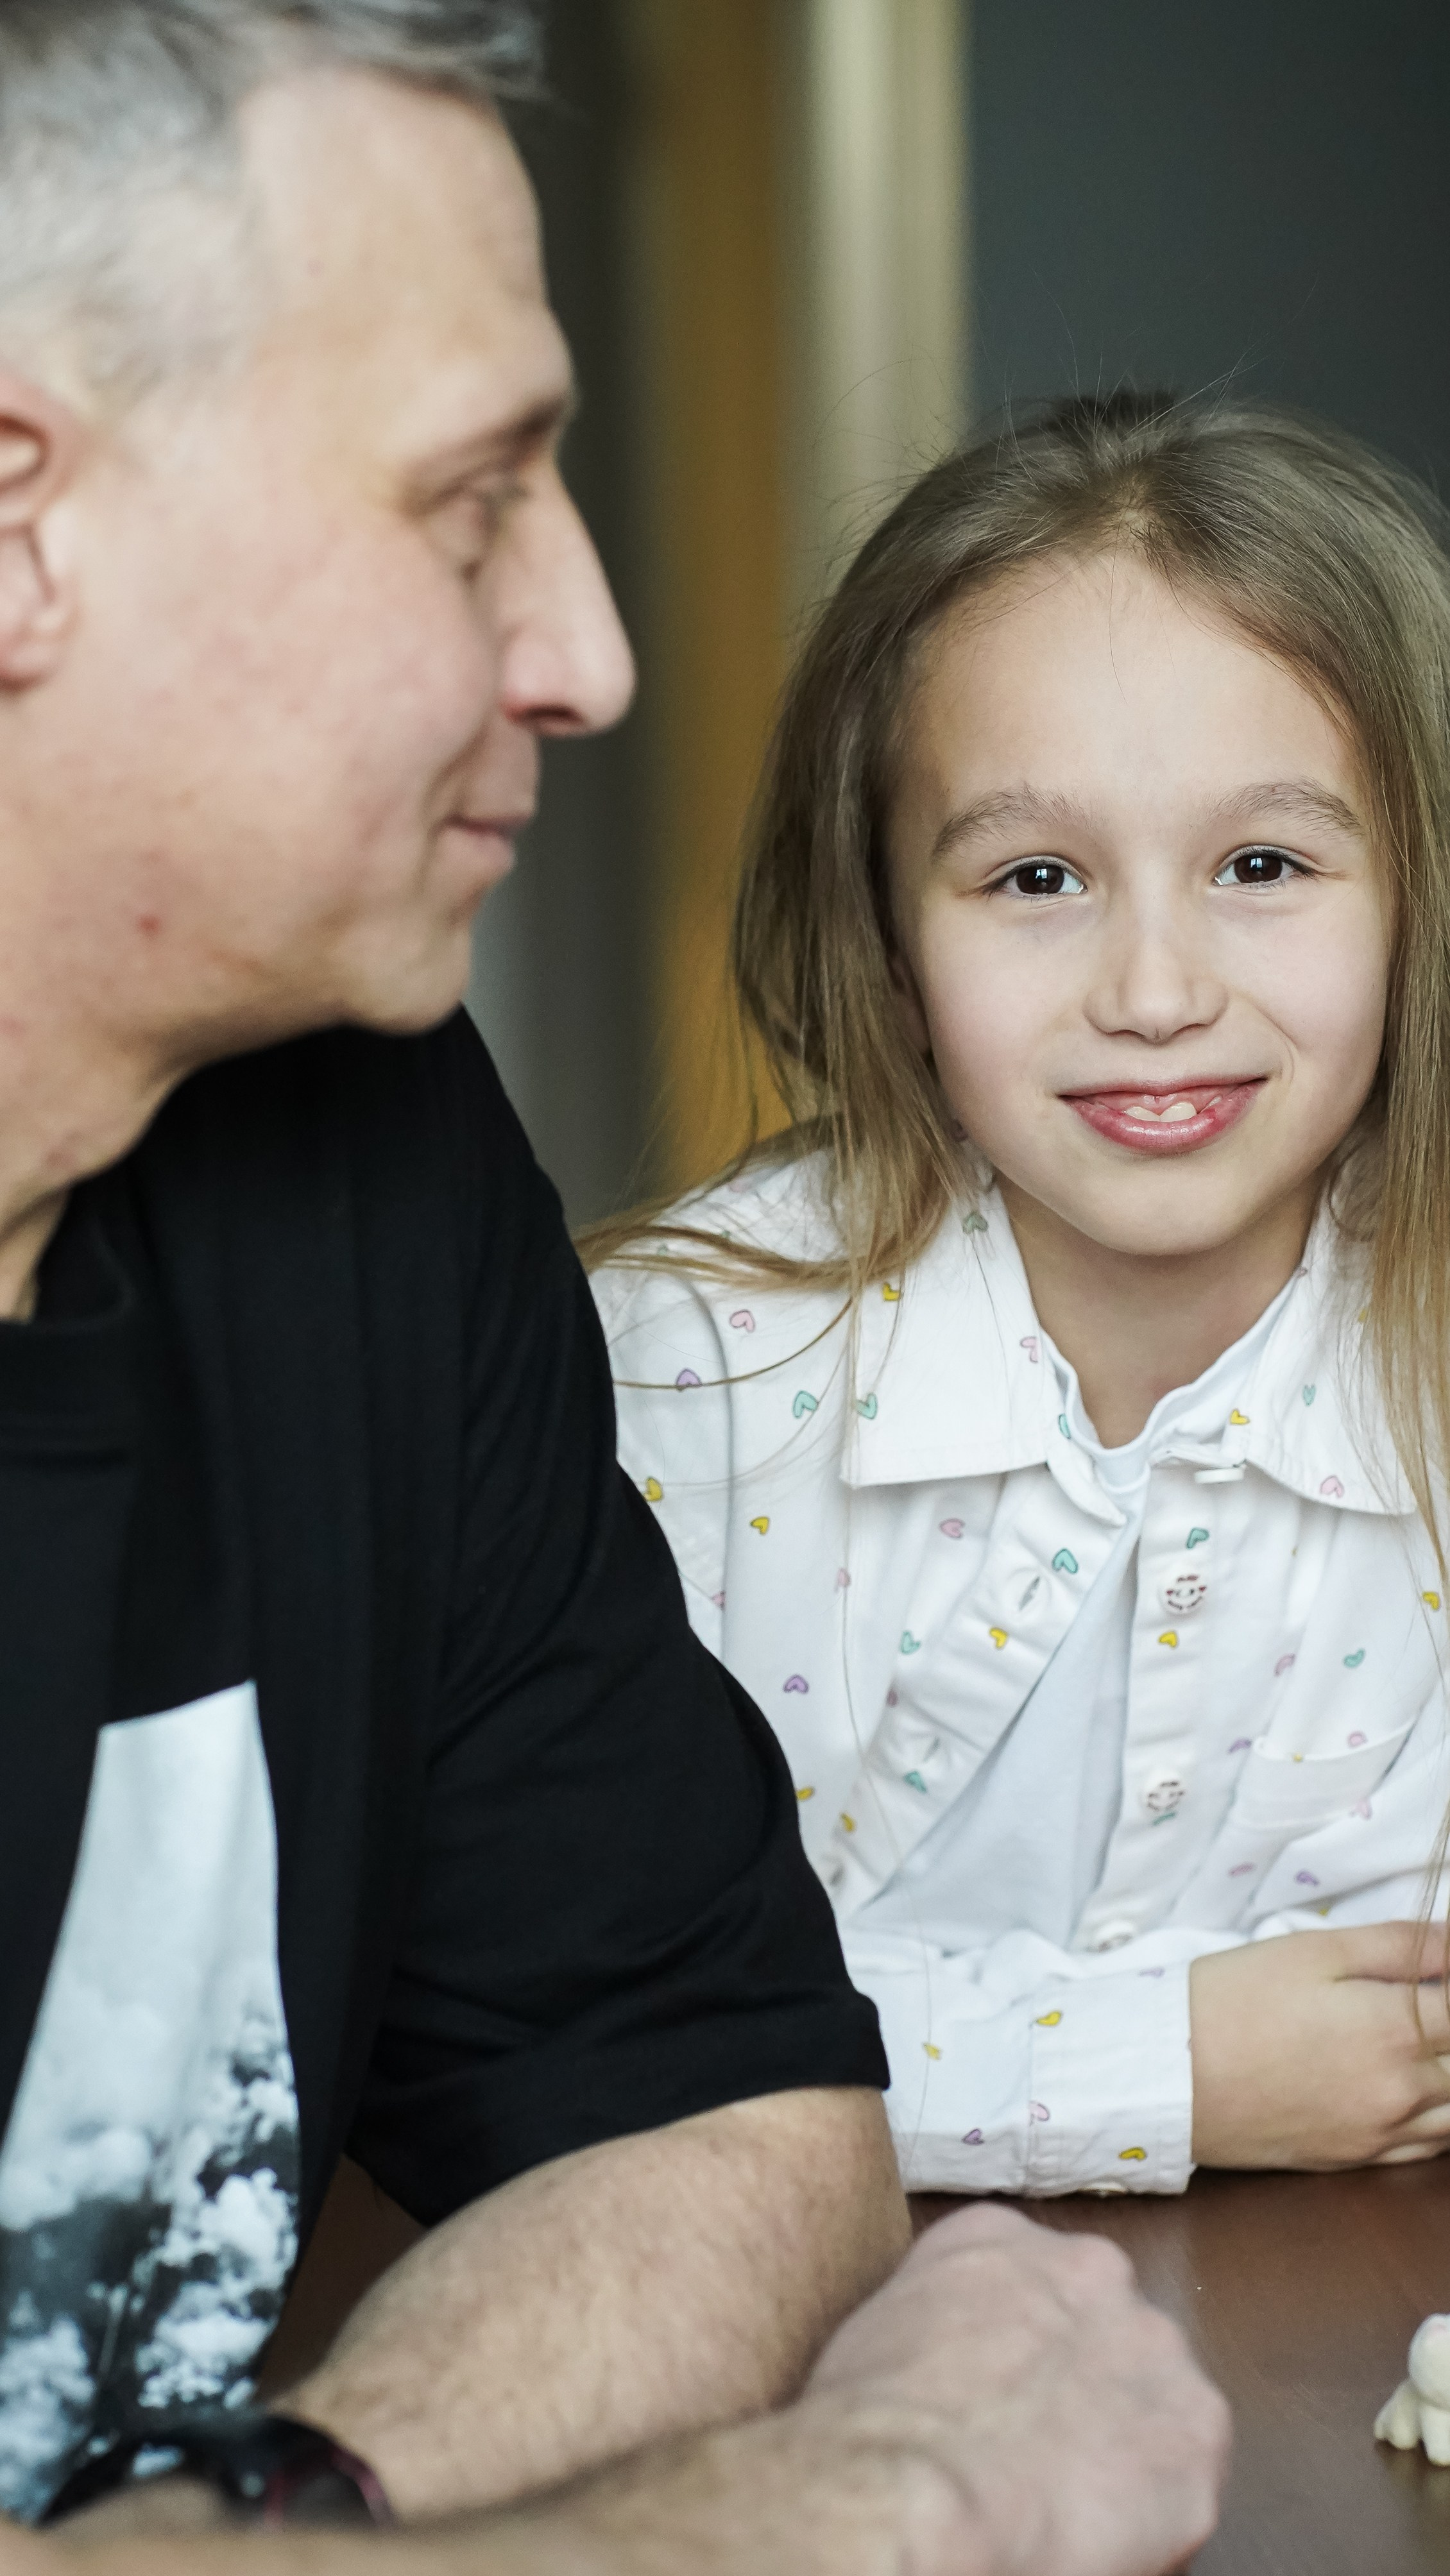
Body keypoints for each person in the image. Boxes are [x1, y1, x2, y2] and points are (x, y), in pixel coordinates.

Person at [0, 4, 1228, 2572]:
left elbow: (722, 2097)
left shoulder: (358, 1147)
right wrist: (881, 2496)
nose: (587, 650)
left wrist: (285, 2509)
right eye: (470, 507)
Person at [592, 389, 1450, 2201]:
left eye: (1263, 866)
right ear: (889, 943)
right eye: (1035, 876)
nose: (1152, 988)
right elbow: (584, 2028)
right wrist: (1174, 2068)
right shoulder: (685, 1380)